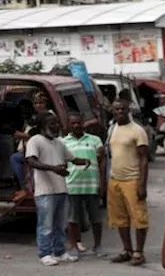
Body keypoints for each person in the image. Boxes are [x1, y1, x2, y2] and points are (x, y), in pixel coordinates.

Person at [26, 114, 83, 266]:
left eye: (57, 123)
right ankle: (45, 253)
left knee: (60, 224)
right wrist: (54, 169)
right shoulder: (35, 140)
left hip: (61, 189)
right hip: (45, 191)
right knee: (46, 225)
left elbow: (72, 158)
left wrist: (84, 161)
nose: (56, 126)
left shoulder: (59, 143)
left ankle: (59, 251)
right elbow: (31, 161)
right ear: (43, 125)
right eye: (52, 123)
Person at [106, 100, 151, 267]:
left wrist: (141, 184)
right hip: (115, 179)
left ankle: (139, 252)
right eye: (116, 109)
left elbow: (144, 159)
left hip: (132, 180)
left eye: (122, 109)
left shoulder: (138, 131)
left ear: (128, 110)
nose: (119, 112)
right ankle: (127, 250)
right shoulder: (112, 128)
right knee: (120, 219)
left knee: (139, 218)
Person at [62, 113, 106, 258]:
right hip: (72, 185)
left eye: (78, 123)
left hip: (92, 185)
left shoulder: (95, 140)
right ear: (68, 125)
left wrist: (102, 182)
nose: (76, 125)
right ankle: (73, 246)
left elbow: (102, 161)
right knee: (72, 219)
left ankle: (98, 246)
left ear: (83, 123)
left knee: (96, 218)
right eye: (73, 123)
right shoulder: (63, 142)